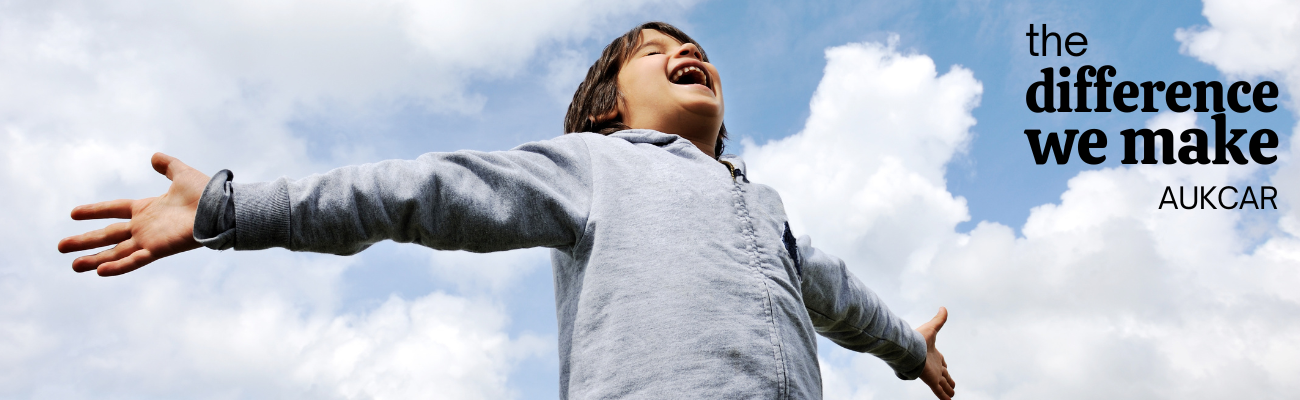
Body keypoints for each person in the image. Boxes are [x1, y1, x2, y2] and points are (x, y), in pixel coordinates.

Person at [58, 21, 956, 400]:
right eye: (657, 51)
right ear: (609, 102)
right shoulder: (594, 166)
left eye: (696, 48)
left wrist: (910, 350)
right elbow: (422, 193)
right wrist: (231, 208)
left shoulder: (766, 210)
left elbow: (838, 296)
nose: (687, 51)